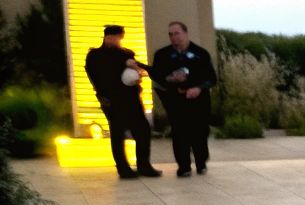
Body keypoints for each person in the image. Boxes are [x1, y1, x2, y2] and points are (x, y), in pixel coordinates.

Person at [83, 25, 159, 179]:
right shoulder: (95, 56)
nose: (118, 41)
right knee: (118, 133)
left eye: (120, 38)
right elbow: (100, 74)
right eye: (116, 37)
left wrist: (139, 71)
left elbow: (135, 66)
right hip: (112, 101)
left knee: (142, 130)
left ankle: (144, 165)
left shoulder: (126, 54)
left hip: (132, 99)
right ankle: (123, 168)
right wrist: (125, 65)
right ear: (107, 37)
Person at [150, 21, 215, 176]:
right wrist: (170, 79)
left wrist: (198, 88)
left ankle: (201, 162)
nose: (174, 37)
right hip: (176, 100)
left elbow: (211, 78)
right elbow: (157, 77)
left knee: (199, 132)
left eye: (177, 33)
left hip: (198, 100)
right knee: (179, 133)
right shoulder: (162, 55)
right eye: (170, 34)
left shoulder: (200, 53)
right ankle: (183, 165)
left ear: (185, 33)